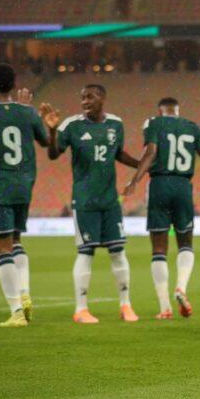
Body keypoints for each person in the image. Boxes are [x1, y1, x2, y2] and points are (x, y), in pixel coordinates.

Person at [41, 84, 140, 324]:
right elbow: (53, 154)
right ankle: (81, 309)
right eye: (82, 97)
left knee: (118, 251)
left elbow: (118, 153)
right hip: (85, 200)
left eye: (90, 97)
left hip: (110, 200)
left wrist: (142, 165)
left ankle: (125, 305)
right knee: (86, 252)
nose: (85, 101)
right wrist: (52, 131)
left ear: (102, 98)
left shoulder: (115, 124)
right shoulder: (71, 125)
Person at [121, 97, 200, 319]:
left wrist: (135, 180)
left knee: (158, 249)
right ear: (177, 110)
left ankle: (165, 308)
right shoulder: (192, 127)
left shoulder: (154, 123)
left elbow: (151, 153)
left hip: (159, 185)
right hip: (183, 186)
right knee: (186, 243)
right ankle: (181, 287)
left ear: (160, 111)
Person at [0, 64, 48, 327]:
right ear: (14, 84)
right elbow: (45, 141)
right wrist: (27, 112)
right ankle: (24, 293)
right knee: (16, 241)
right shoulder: (27, 112)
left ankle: (16, 312)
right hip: (23, 185)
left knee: (2, 248)